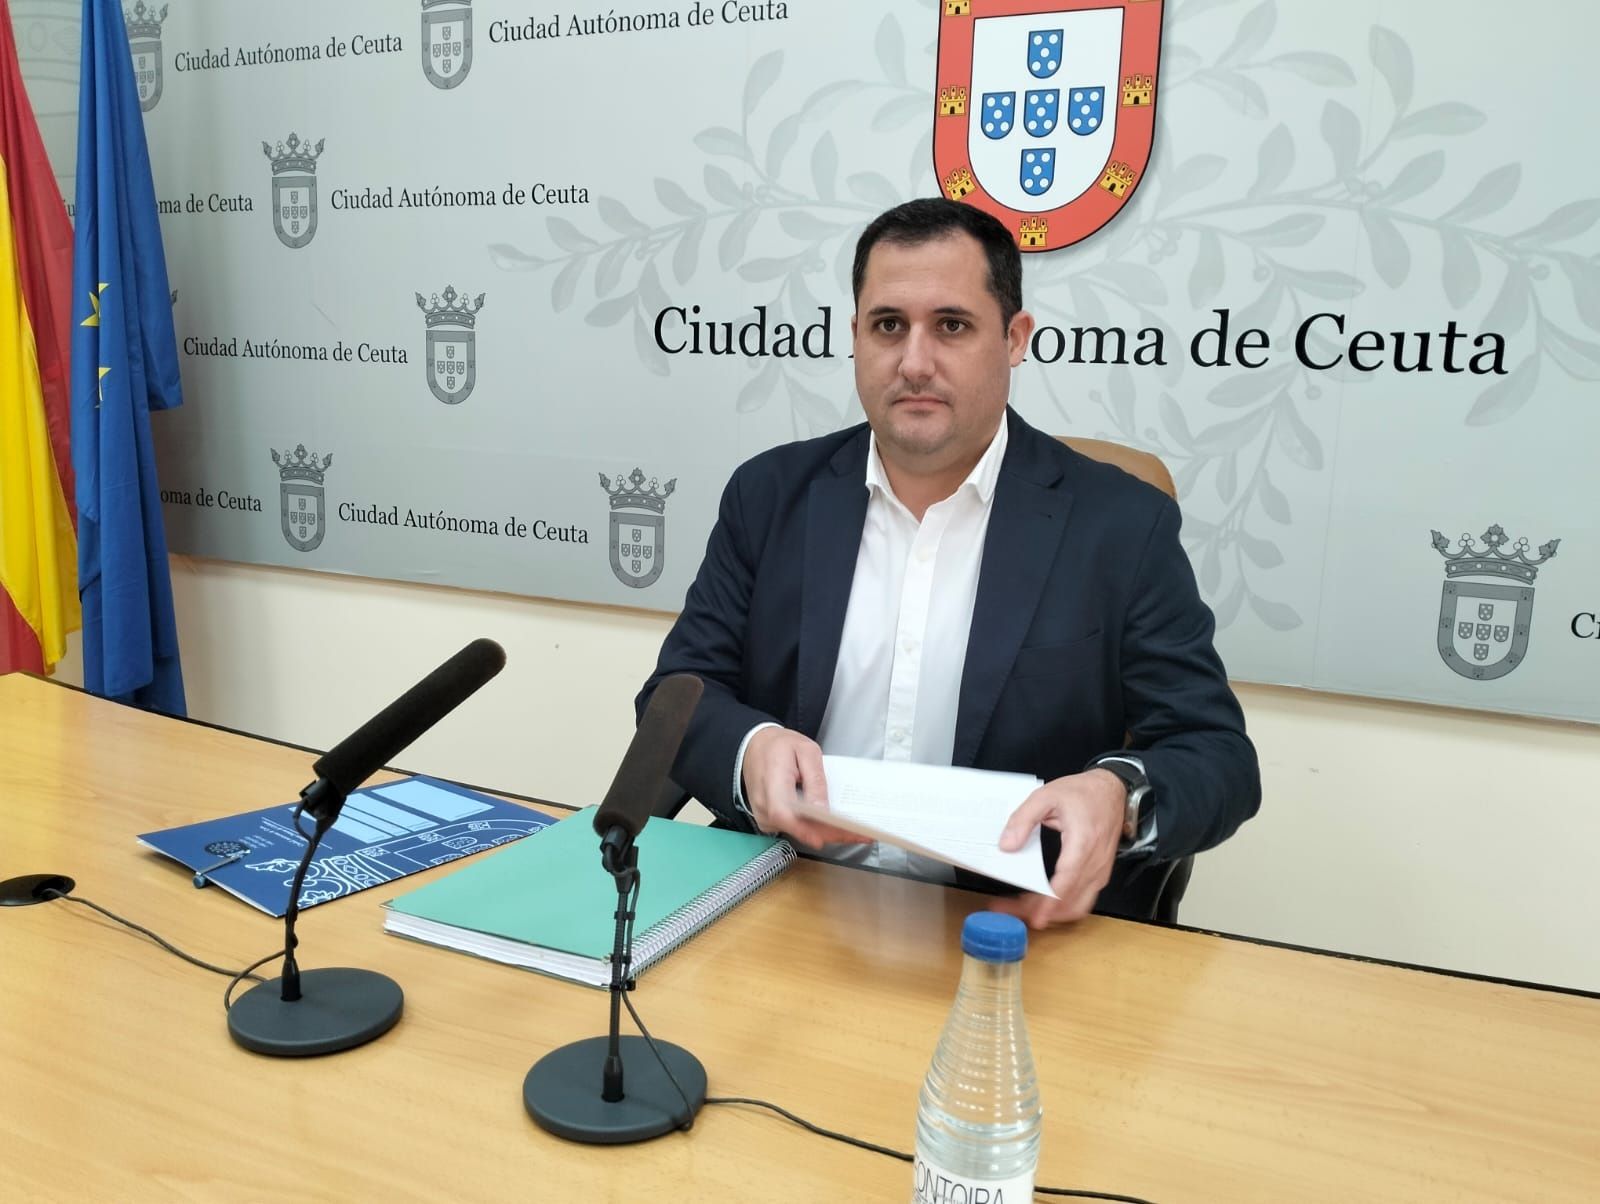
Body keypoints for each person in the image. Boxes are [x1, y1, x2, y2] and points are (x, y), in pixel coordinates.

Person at [637, 198, 1260, 925]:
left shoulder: (1120, 524)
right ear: (855, 337)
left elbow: (1215, 754)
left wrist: (1117, 794)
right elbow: (678, 694)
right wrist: (751, 748)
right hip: (788, 902)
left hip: (1009, 928)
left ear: (1015, 338)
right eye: (888, 325)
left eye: (952, 326)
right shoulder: (770, 495)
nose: (914, 362)